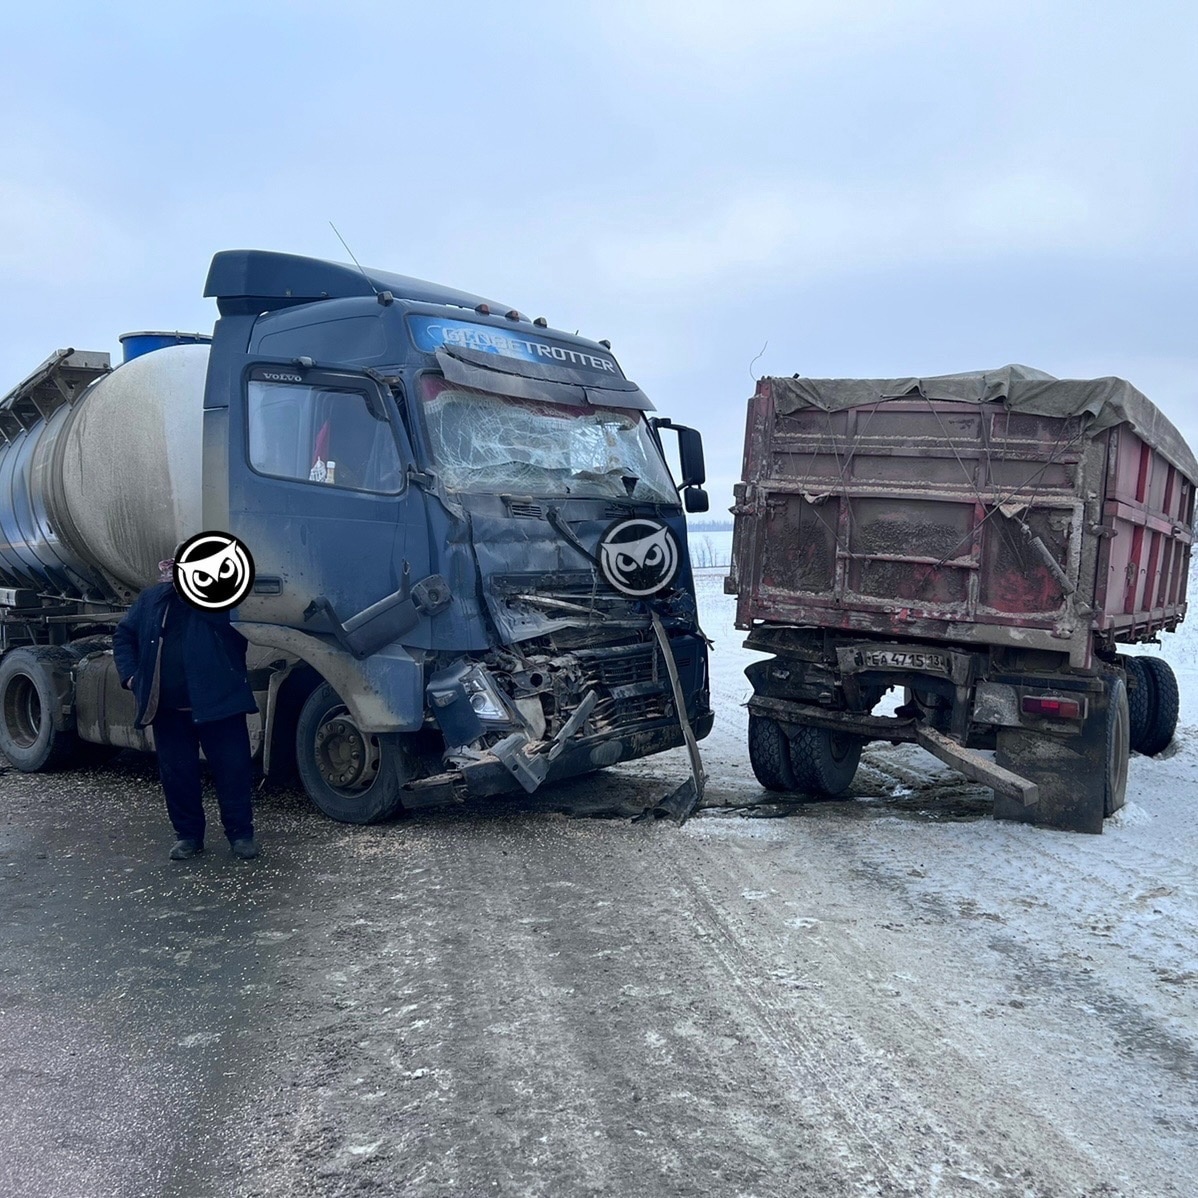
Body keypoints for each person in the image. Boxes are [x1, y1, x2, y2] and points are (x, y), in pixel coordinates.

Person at [113, 557, 260, 861]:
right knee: (177, 774)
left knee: (233, 771)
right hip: (168, 709)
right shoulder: (152, 599)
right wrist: (130, 676)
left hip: (221, 705)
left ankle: (241, 835)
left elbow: (241, 630)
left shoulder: (223, 598)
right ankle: (188, 837)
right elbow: (124, 636)